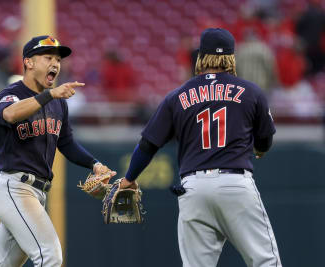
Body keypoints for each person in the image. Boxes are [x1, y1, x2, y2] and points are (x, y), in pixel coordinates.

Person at [120, 28, 282, 267]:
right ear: (230, 57)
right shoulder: (251, 91)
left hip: (193, 188)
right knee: (265, 262)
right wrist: (259, 150)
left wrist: (129, 178)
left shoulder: (177, 96)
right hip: (235, 183)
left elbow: (147, 145)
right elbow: (265, 140)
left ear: (201, 57)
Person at [0, 35, 115, 267]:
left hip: (37, 194)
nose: (55, 64)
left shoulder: (58, 103)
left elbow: (66, 143)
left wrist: (94, 164)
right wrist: (50, 95)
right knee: (50, 255)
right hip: (15, 188)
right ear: (28, 62)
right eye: (48, 57)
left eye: (58, 59)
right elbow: (9, 114)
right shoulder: (12, 93)